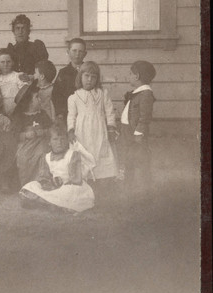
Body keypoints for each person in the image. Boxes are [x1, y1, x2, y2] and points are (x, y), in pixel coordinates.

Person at [67, 61, 118, 200]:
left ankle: (102, 190)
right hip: (82, 133)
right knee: (84, 157)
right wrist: (70, 130)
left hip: (99, 132)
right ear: (80, 77)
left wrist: (111, 127)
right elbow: (71, 115)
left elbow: (109, 112)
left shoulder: (102, 94)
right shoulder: (74, 97)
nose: (90, 80)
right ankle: (85, 190)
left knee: (101, 156)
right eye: (87, 76)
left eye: (93, 77)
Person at [19, 121, 96, 213]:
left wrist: (60, 184)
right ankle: (53, 203)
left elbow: (76, 179)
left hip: (71, 185)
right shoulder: (47, 157)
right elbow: (44, 177)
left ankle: (45, 202)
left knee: (68, 192)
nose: (59, 142)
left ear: (67, 140)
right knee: (31, 185)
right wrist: (49, 184)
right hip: (54, 186)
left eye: (62, 139)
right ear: (49, 142)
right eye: (55, 139)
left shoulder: (72, 155)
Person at [119, 60, 157, 200]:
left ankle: (143, 189)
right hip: (127, 132)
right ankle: (129, 187)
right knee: (128, 159)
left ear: (137, 76)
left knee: (140, 160)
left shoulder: (146, 94)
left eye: (130, 73)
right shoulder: (136, 93)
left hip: (135, 135)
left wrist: (139, 132)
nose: (128, 76)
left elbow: (145, 116)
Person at [11, 80, 52, 186]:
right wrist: (25, 135)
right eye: (37, 97)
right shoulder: (20, 117)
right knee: (22, 157)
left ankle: (43, 180)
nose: (40, 99)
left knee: (44, 153)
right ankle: (27, 184)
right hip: (25, 145)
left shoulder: (42, 114)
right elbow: (13, 135)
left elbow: (52, 129)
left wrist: (43, 132)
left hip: (41, 142)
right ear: (28, 102)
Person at [52, 38, 87, 120]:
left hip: (86, 113)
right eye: (74, 51)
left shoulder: (89, 71)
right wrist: (60, 112)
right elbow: (57, 95)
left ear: (85, 54)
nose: (77, 54)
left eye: (80, 51)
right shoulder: (63, 73)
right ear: (68, 52)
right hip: (68, 114)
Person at [0, 48, 28, 116]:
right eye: (2, 62)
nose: (5, 64)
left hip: (17, 111)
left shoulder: (18, 76)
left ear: (13, 62)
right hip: (1, 113)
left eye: (8, 61)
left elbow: (24, 95)